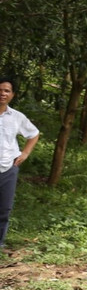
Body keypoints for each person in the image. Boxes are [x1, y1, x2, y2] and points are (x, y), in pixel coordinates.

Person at [0, 75, 41, 253]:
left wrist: (25, 153)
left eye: (7, 91)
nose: (2, 94)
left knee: (4, 209)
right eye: (0, 90)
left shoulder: (17, 117)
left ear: (12, 95)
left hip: (8, 168)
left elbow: (33, 134)